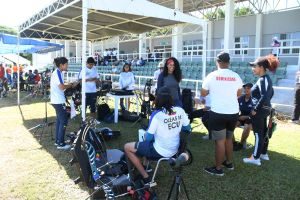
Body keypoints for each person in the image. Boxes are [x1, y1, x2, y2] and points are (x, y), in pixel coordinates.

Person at [124, 87, 191, 184]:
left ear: (158, 100)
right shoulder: (180, 110)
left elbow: (148, 138)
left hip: (160, 151)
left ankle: (145, 176)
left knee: (127, 147)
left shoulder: (157, 115)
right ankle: (147, 167)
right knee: (144, 144)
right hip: (175, 150)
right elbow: (187, 129)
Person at [202, 52, 243, 176]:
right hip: (233, 112)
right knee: (229, 138)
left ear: (217, 62)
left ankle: (218, 168)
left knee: (220, 141)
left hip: (218, 112)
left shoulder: (212, 75)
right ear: (229, 62)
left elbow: (203, 93)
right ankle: (229, 163)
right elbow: (239, 94)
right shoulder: (236, 76)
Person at [243, 55, 279, 166]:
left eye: (255, 66)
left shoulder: (263, 79)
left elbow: (264, 96)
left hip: (259, 111)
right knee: (263, 132)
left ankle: (255, 158)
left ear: (262, 67)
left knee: (258, 134)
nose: (252, 68)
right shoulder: (265, 79)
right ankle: (263, 153)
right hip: (264, 109)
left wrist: (255, 108)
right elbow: (270, 94)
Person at [51, 57, 75, 150]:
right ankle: (61, 143)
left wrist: (68, 84)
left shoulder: (58, 72)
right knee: (64, 121)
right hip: (58, 101)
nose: (67, 66)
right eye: (66, 64)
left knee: (59, 121)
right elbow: (61, 87)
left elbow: (60, 86)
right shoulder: (57, 73)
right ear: (61, 65)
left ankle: (58, 141)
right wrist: (70, 85)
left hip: (56, 100)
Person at [233, 83, 254, 151]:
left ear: (252, 89)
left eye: (248, 88)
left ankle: (241, 144)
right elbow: (235, 109)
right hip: (241, 117)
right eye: (245, 88)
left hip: (251, 118)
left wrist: (246, 117)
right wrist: (237, 116)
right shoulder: (241, 98)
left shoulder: (254, 99)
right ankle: (234, 143)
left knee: (247, 126)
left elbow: (255, 113)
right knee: (230, 124)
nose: (246, 89)